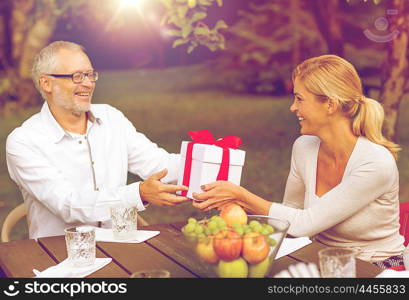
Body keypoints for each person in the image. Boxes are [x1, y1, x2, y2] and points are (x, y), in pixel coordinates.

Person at [192, 54, 405, 268]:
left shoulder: (375, 162)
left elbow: (304, 224)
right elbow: (290, 213)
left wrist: (241, 195)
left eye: (299, 99)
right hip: (321, 258)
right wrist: (236, 203)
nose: (292, 107)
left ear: (330, 104)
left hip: (378, 266)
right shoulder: (304, 147)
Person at [6, 41, 189, 239]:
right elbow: (69, 205)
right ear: (46, 83)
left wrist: (216, 158)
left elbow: (158, 164)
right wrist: (139, 194)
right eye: (77, 76)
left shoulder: (112, 118)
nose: (88, 83)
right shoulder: (24, 141)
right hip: (59, 258)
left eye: (90, 74)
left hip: (122, 247)